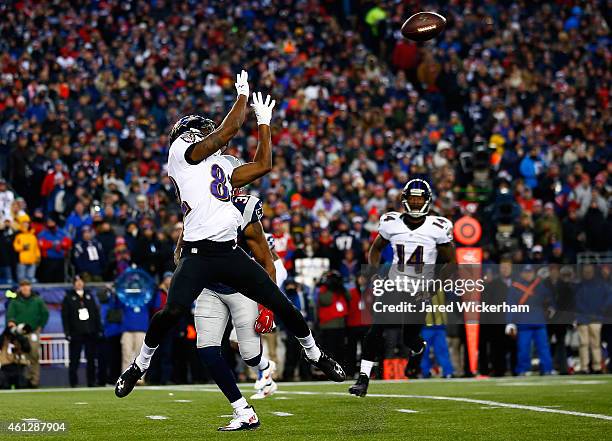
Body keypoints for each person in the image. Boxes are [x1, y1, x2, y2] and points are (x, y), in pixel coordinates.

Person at [115, 74, 344, 432]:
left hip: (229, 253)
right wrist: (242, 99)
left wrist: (265, 124)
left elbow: (263, 165)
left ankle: (315, 354)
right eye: (200, 132)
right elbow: (223, 134)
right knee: (172, 310)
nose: (207, 138)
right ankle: (140, 364)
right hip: (197, 256)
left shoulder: (221, 166)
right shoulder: (180, 155)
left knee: (282, 303)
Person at [350, 179, 456, 397]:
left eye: (419, 198)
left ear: (427, 201)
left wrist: (434, 286)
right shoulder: (391, 222)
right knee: (376, 329)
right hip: (394, 284)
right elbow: (376, 248)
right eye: (412, 198)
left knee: (409, 338)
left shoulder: (438, 227)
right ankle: (363, 379)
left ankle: (418, 351)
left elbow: (451, 263)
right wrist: (372, 271)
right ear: (405, 200)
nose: (416, 203)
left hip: (421, 289)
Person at [195, 189, 284, 401]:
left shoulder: (246, 212)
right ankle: (263, 374)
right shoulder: (205, 206)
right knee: (216, 347)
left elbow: (268, 270)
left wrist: (267, 307)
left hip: (247, 293)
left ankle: (264, 373)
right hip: (218, 288)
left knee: (249, 352)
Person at [506, 265, 554, 375]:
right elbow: (510, 305)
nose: (528, 274)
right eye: (526, 272)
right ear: (522, 273)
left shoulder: (540, 285)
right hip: (523, 323)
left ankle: (547, 369)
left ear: (533, 273)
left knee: (543, 349)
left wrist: (551, 307)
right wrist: (510, 322)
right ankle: (522, 370)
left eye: (530, 272)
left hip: (539, 322)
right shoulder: (515, 287)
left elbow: (549, 298)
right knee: (523, 350)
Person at [6, 279, 49, 388]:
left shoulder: (37, 300)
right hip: (20, 333)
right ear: (20, 288)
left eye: (27, 285)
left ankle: (34, 381)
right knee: (21, 357)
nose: (25, 288)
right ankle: (23, 381)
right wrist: (12, 324)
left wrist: (40, 327)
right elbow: (10, 316)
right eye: (23, 286)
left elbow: (45, 314)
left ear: (30, 287)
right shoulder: (15, 301)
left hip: (33, 331)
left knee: (34, 355)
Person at [61, 276, 103, 387]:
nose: (79, 284)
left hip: (90, 332)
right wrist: (67, 332)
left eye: (81, 281)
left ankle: (91, 381)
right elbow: (65, 316)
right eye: (77, 282)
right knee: (74, 359)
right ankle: (73, 382)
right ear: (74, 284)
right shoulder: (68, 297)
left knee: (91, 359)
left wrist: (98, 329)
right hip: (76, 333)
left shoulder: (89, 296)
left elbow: (96, 313)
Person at [575, 264, 605, 374]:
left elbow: (607, 299)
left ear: (593, 272)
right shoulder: (579, 286)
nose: (587, 273)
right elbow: (577, 301)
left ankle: (597, 366)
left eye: (589, 271)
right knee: (584, 343)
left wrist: (601, 309)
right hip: (583, 317)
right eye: (586, 271)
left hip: (595, 317)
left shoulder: (600, 285)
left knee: (595, 343)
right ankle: (584, 367)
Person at [0, 323, 30, 389]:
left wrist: (17, 335)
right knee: (5, 386)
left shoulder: (21, 337)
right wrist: (5, 332)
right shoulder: (4, 338)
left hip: (19, 366)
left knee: (22, 386)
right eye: (10, 326)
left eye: (13, 326)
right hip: (6, 367)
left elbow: (27, 348)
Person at [13, 214, 40, 283]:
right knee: (21, 279)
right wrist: (23, 247)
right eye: (24, 223)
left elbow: (36, 248)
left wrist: (38, 257)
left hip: (32, 261)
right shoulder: (19, 235)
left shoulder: (33, 236)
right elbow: (15, 247)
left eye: (27, 223)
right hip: (22, 261)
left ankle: (30, 293)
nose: (26, 225)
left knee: (31, 279)